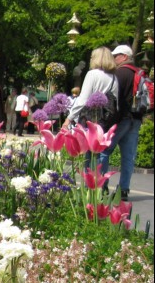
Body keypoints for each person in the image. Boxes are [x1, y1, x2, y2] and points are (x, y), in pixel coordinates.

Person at [96, 45, 144, 201]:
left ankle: (102, 185)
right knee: (128, 157)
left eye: (116, 56)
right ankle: (124, 189)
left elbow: (114, 100)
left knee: (104, 151)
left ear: (124, 57)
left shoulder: (120, 73)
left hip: (122, 119)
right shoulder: (140, 73)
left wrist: (109, 121)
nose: (113, 59)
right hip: (136, 119)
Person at [62, 46, 118, 129]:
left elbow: (82, 100)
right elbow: (115, 100)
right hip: (106, 121)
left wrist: (68, 120)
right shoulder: (114, 77)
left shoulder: (92, 74)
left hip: (91, 119)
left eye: (92, 57)